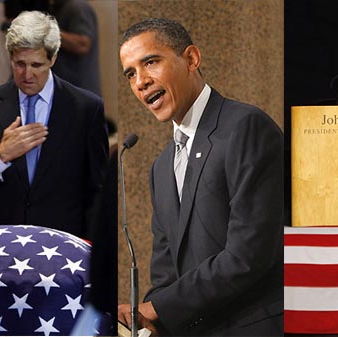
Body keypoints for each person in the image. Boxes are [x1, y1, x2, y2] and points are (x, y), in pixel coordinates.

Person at [117, 18, 284, 336]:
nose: (140, 82)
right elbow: (166, 273)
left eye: (150, 62)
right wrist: (150, 323)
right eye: (130, 74)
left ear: (191, 59)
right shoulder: (161, 167)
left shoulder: (245, 127)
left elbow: (247, 255)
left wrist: (157, 309)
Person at [0, 11, 109, 239]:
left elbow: (99, 192)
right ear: (10, 57)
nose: (27, 75)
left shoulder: (86, 109)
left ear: (52, 59)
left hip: (62, 250)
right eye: (19, 64)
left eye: (36, 64)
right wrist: (0, 156)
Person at [1, 0, 102, 97]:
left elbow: (83, 45)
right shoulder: (55, 8)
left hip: (79, 92)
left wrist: (45, 31)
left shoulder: (77, 6)